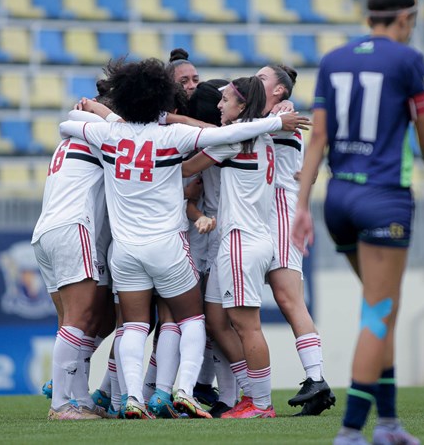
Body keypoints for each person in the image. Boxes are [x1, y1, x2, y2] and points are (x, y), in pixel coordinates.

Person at [59, 58, 309, 420]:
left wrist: (96, 112)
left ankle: (129, 399)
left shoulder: (109, 135)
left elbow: (69, 123)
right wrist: (276, 120)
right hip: (171, 247)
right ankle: (183, 390)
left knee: (133, 326)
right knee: (191, 320)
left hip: (125, 251)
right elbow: (222, 135)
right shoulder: (173, 136)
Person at [291, 0, 424, 445]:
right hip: (384, 199)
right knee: (379, 313)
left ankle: (388, 425)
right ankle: (351, 432)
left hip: (338, 198)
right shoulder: (408, 61)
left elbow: (318, 137)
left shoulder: (334, 59)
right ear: (405, 17)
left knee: (379, 308)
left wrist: (302, 205)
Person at [181, 76, 280, 419]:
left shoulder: (234, 141)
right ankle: (251, 395)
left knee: (246, 324)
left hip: (240, 239)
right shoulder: (264, 136)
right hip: (249, 236)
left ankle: (261, 404)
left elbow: (186, 167)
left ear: (242, 106)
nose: (219, 106)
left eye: (225, 101)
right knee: (217, 321)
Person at [32, 71, 119, 421]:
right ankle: (61, 404)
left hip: (47, 231)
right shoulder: (101, 133)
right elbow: (126, 131)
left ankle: (77, 398)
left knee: (77, 320)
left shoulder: (71, 134)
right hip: (73, 228)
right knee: (81, 318)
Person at [256, 64, 334, 416]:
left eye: (262, 79)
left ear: (280, 92)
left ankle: (316, 378)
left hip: (281, 214)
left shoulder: (282, 116)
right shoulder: (263, 117)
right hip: (264, 216)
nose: (255, 82)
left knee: (289, 298)